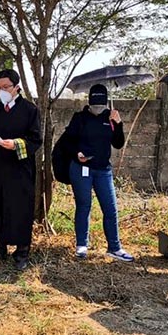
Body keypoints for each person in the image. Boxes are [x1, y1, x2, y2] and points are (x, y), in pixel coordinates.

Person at [0, 68, 42, 270]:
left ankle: (21, 253)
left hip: (19, 169)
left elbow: (35, 139)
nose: (2, 91)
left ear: (16, 87)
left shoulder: (30, 110)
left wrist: (17, 144)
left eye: (5, 87)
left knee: (19, 209)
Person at [56, 84, 134, 262]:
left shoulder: (110, 118)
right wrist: (77, 153)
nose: (98, 109)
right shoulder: (80, 118)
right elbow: (67, 142)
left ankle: (115, 248)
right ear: (89, 102)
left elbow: (118, 144)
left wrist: (119, 123)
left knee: (110, 208)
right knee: (84, 206)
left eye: (101, 106)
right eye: (95, 106)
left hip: (103, 170)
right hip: (81, 168)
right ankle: (82, 245)